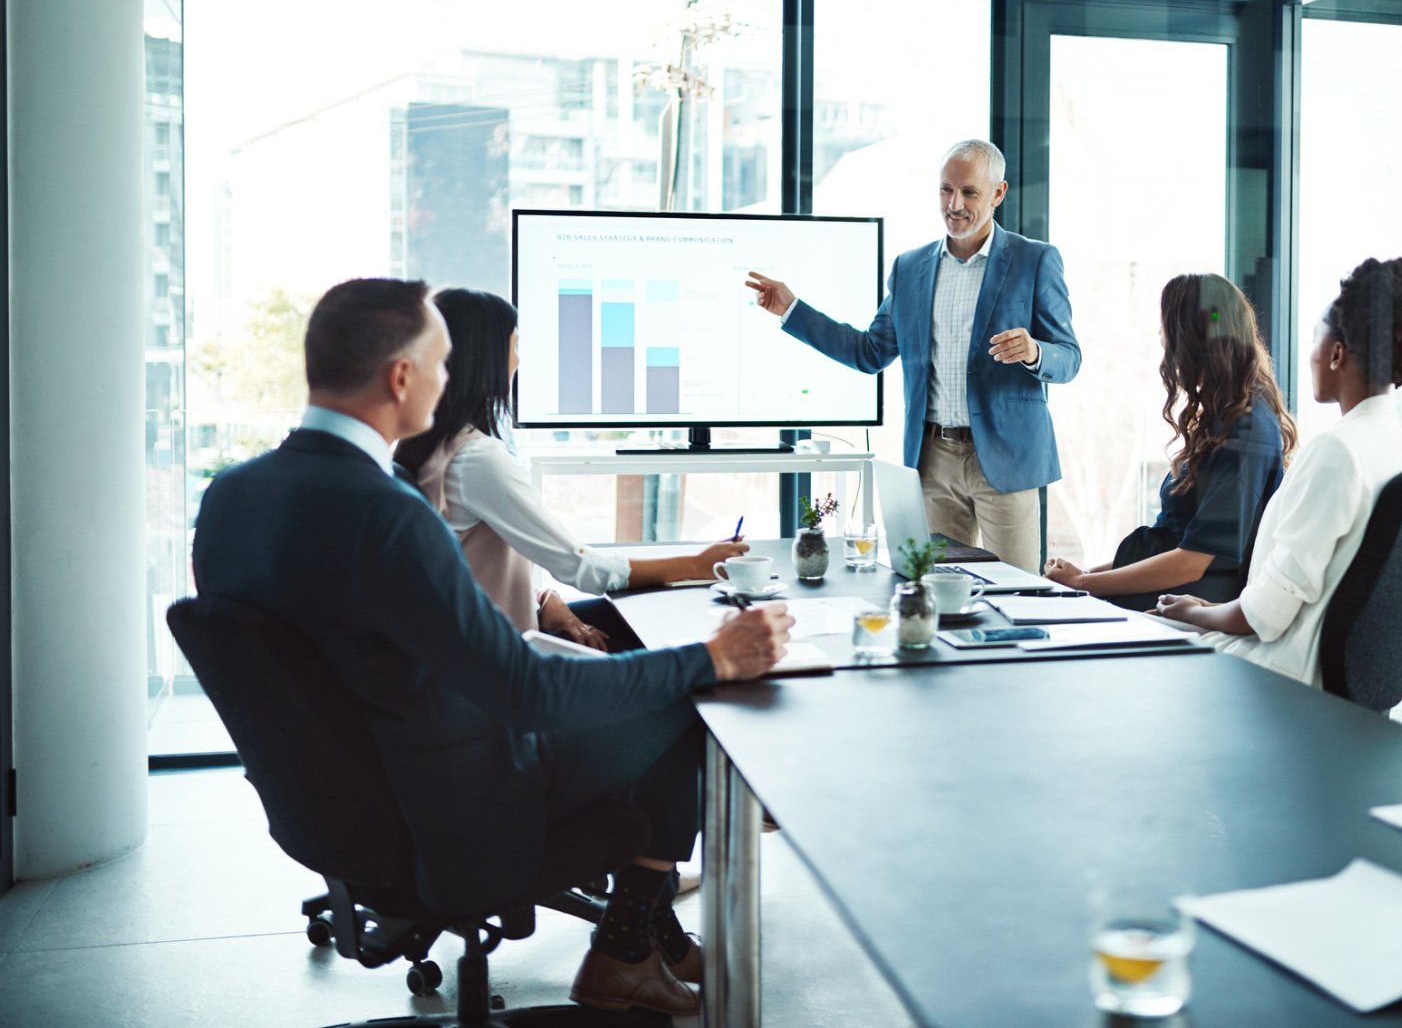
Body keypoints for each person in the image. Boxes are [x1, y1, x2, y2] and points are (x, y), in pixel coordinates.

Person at [192, 278, 793, 1016]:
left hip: (338, 808)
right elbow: (526, 692)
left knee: (638, 687)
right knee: (684, 706)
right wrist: (711, 657)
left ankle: (642, 934)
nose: (449, 382)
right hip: (458, 809)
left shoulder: (229, 498)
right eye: (441, 366)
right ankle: (625, 949)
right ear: (402, 376)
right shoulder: (388, 515)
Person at [745, 138, 1080, 571]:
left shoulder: (1035, 261)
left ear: (998, 193)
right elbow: (869, 353)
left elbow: (1069, 357)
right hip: (932, 460)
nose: (954, 204)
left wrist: (1035, 351)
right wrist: (793, 309)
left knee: (1015, 591)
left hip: (1007, 458)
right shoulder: (910, 267)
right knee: (937, 591)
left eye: (970, 192)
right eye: (946, 189)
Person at [393, 288, 747, 653]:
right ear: (487, 359)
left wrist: (544, 599)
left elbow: (469, 568)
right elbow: (582, 568)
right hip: (507, 662)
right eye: (515, 347)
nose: (518, 361)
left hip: (478, 642)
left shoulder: (428, 447)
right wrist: (696, 564)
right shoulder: (477, 460)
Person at [1154, 258, 1402, 684]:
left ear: (1336, 353)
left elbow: (1264, 616)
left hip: (1277, 672)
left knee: (1121, 644)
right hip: (1320, 671)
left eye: (1315, 337)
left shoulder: (1337, 452)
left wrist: (1197, 612)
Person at [1042, 274, 1294, 610]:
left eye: (1167, 330)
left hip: (1188, 602)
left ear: (1191, 340)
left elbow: (1193, 561)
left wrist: (1085, 583)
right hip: (1173, 591)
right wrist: (1084, 575)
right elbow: (1173, 544)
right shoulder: (1225, 416)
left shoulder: (1246, 430)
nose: (1162, 339)